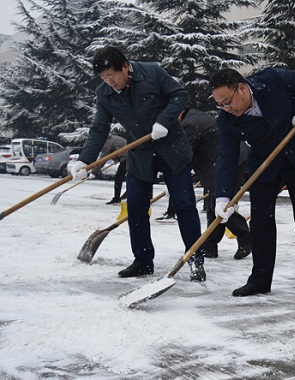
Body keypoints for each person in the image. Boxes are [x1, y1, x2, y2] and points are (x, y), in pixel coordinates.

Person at [71, 46, 205, 282]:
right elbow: (99, 128)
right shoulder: (105, 93)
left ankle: (195, 260)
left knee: (184, 205)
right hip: (140, 153)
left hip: (171, 148)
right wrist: (85, 160)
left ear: (125, 66)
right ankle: (142, 261)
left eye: (112, 75)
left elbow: (179, 94)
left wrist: (164, 121)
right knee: (135, 207)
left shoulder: (152, 73)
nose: (109, 81)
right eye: (103, 77)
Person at [208, 67, 295, 297]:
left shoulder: (271, 79)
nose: (226, 109)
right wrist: (223, 196)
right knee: (260, 223)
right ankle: (260, 280)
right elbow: (227, 157)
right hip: (264, 164)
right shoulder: (226, 120)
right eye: (220, 105)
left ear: (242, 88)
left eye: (228, 101)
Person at [156, 107, 252, 260]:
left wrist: (174, 178)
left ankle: (246, 238)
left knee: (222, 206)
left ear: (179, 113)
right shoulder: (192, 117)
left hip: (230, 162)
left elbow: (184, 155)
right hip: (224, 162)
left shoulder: (189, 124)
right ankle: (210, 247)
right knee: (215, 206)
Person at [91, 134, 128, 205]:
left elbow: (103, 159)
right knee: (129, 177)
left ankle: (117, 198)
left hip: (128, 157)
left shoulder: (108, 142)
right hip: (130, 156)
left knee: (119, 178)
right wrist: (117, 159)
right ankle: (126, 195)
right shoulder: (111, 139)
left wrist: (94, 172)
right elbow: (116, 150)